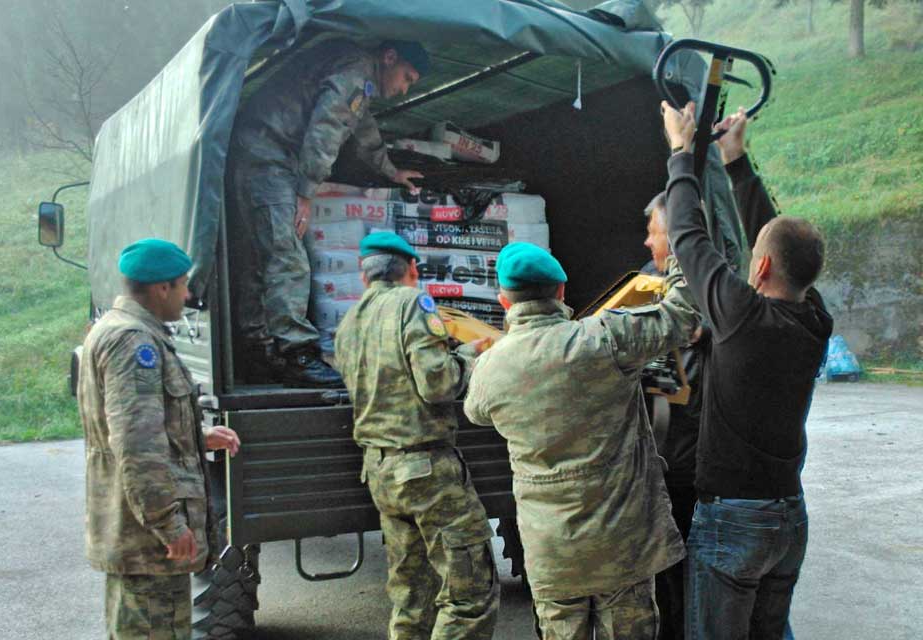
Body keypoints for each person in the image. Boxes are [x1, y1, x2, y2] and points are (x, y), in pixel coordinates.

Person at [464, 241, 701, 640]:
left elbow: (476, 412)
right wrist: (678, 252)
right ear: (560, 291)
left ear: (505, 301)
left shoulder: (491, 367)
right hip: (622, 544)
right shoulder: (607, 338)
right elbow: (681, 317)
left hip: (551, 552)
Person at [661, 102, 833, 640]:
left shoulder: (742, 315)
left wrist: (680, 154)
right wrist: (736, 164)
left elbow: (688, 238)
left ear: (757, 268)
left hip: (734, 517)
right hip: (789, 515)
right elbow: (780, 244)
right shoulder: (816, 319)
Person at [226, 39, 428, 387]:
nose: (403, 90)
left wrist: (391, 172)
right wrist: (307, 192)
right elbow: (327, 129)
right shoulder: (356, 71)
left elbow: (362, 128)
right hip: (267, 153)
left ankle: (259, 350)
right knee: (286, 255)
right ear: (389, 57)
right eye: (406, 78)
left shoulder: (359, 79)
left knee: (263, 257)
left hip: (265, 152)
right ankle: (296, 355)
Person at [333, 232, 500, 639]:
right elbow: (437, 384)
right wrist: (469, 356)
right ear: (412, 269)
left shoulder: (350, 320)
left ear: (363, 274)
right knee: (470, 593)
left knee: (412, 594)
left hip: (380, 469)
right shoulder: (413, 303)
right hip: (426, 470)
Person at [77, 238, 241, 639]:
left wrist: (198, 436)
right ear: (161, 288)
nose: (187, 296)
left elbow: (139, 423)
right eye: (183, 285)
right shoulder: (135, 343)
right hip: (149, 543)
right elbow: (137, 446)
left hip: (137, 536)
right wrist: (168, 524)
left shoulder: (116, 329)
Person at [641, 191, 706, 640]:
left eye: (654, 232)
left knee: (693, 574)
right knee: (664, 577)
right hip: (658, 459)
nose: (647, 242)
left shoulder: (713, 295)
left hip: (695, 464)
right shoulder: (646, 284)